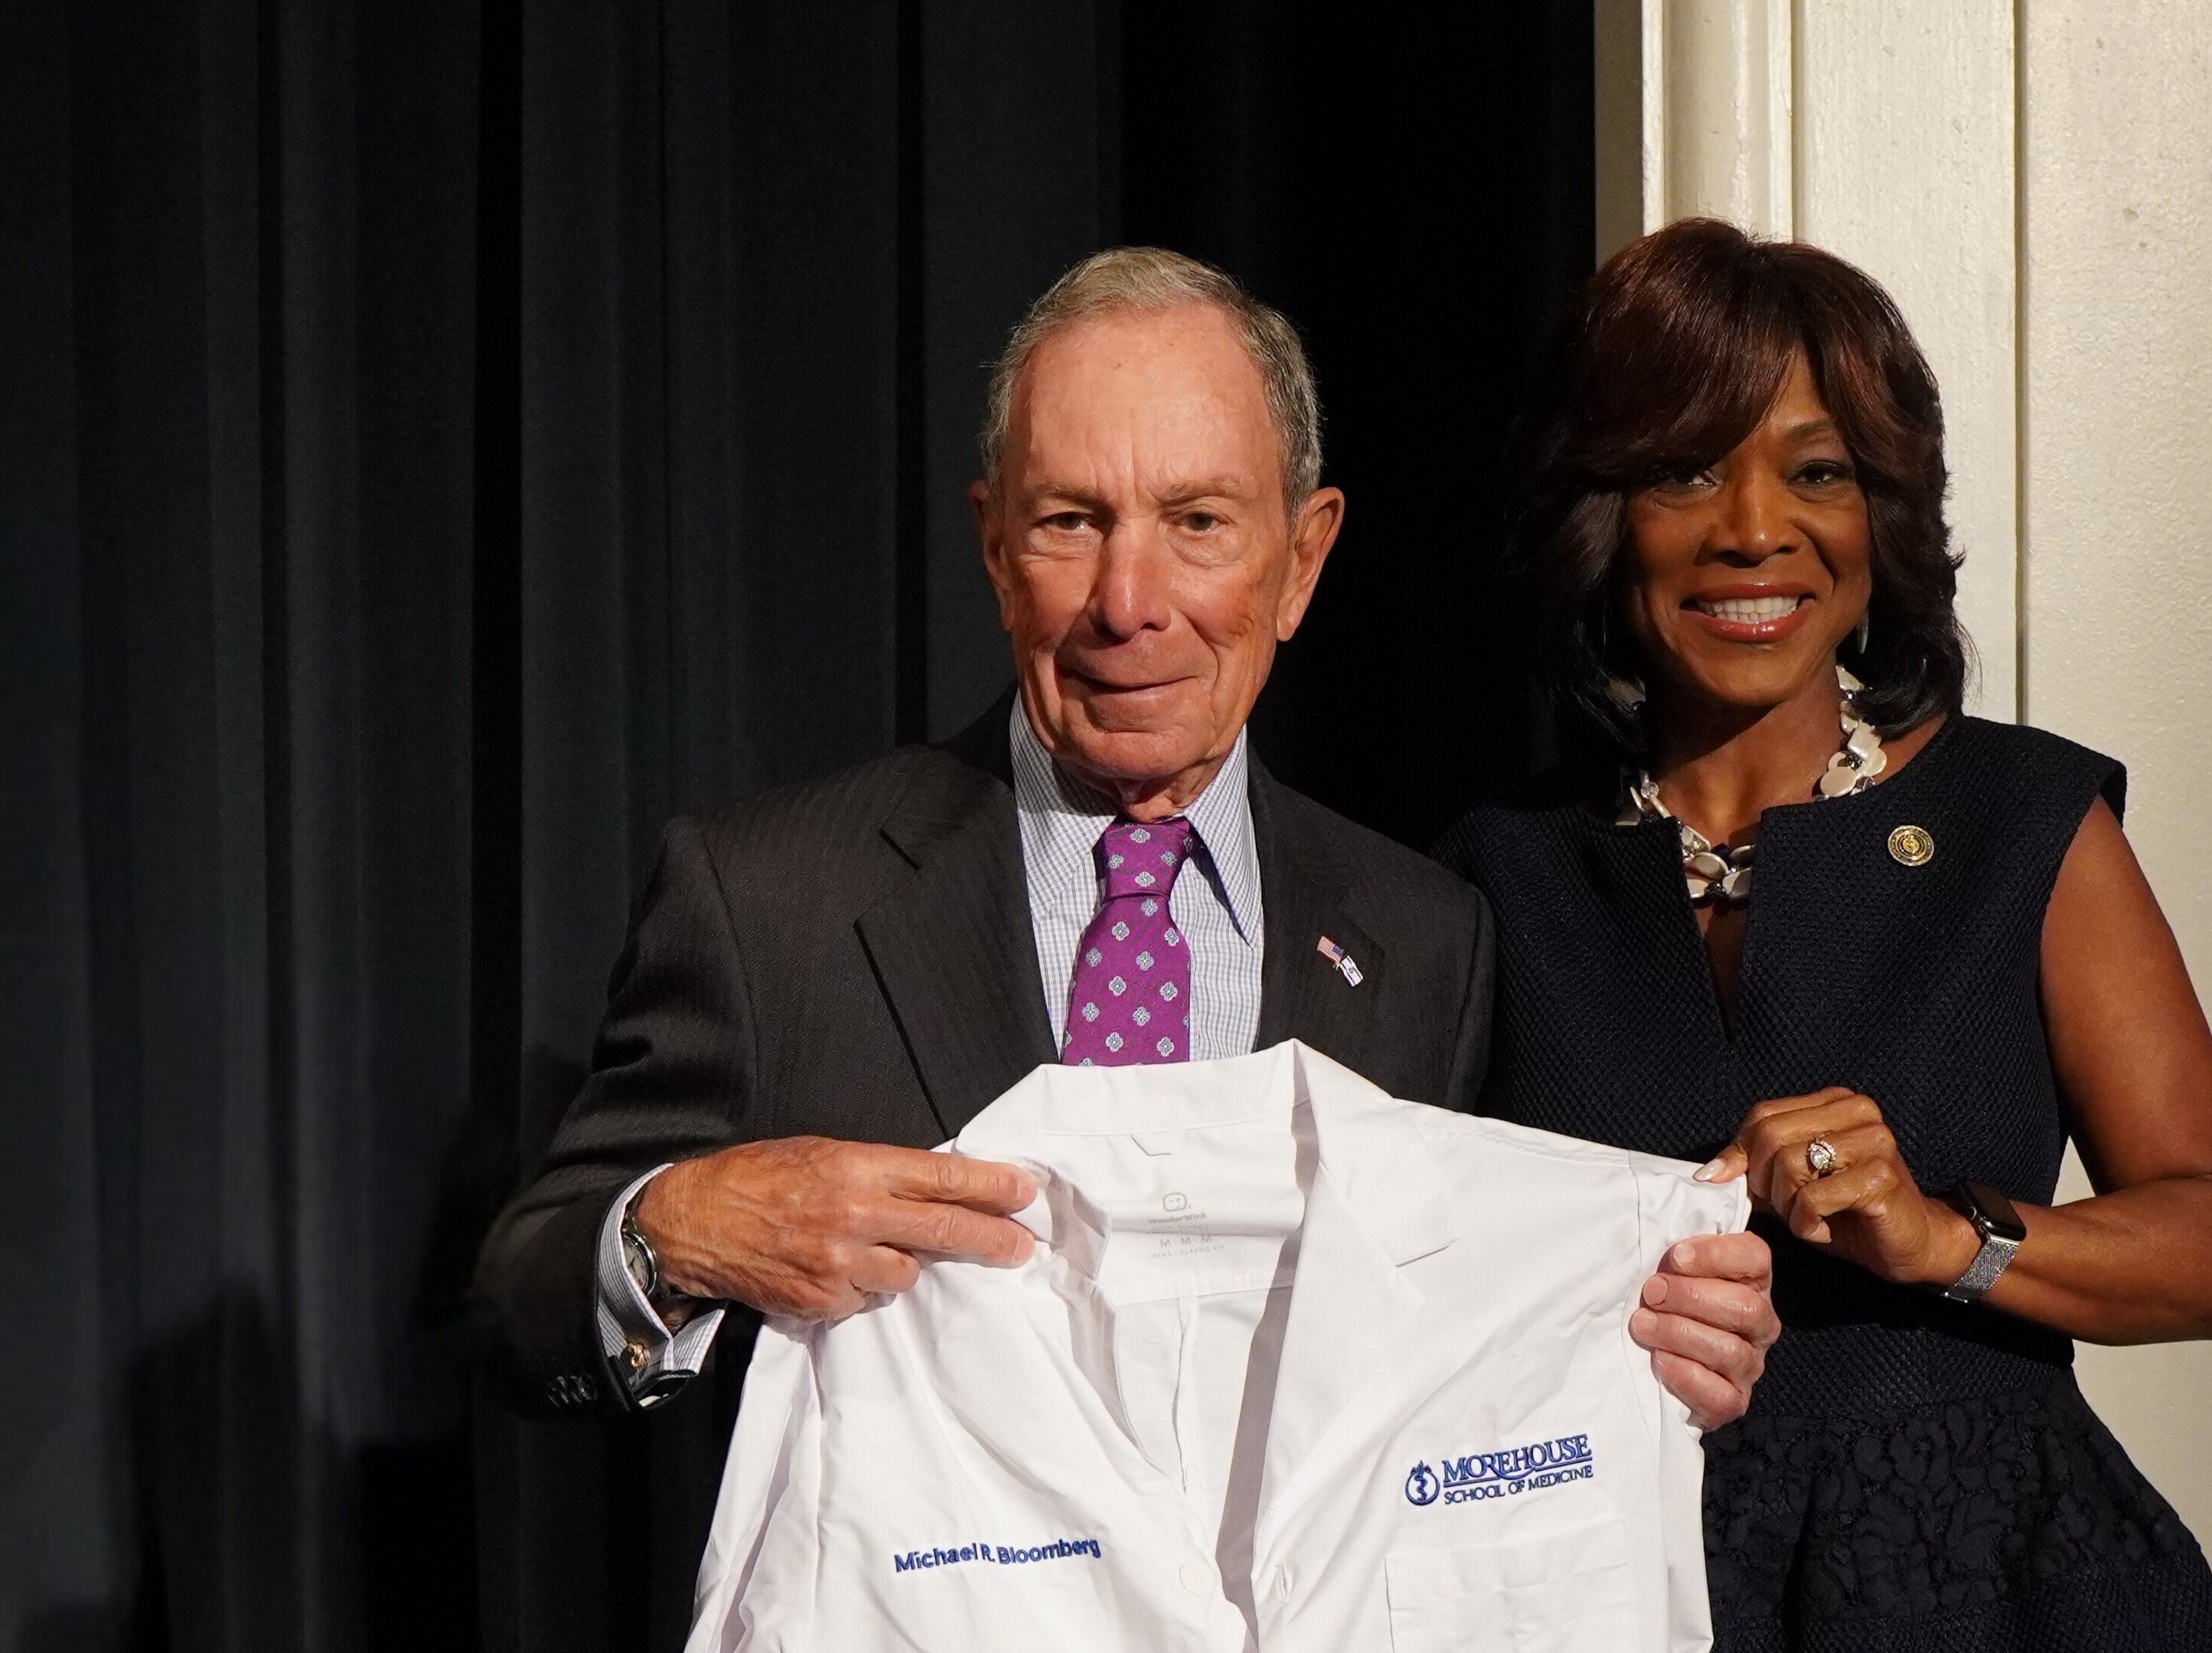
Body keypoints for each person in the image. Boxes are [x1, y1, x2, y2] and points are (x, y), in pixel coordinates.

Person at [473, 246, 1779, 1626]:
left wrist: (1662, 1341)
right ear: (993, 547)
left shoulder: (1423, 935)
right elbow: (518, 1308)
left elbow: (1471, 1356)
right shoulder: (768, 900)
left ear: (1304, 557)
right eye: (1071, 522)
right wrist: (677, 1231)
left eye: (1199, 522)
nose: (1128, 602)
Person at [1437, 219, 2212, 1651]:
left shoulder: (2023, 822)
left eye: (1817, 471)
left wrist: (1944, 1238)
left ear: (1878, 524)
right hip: (1613, 1579)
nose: (1754, 526)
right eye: (1686, 467)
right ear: (1604, 517)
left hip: (1993, 1591)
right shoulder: (1494, 876)